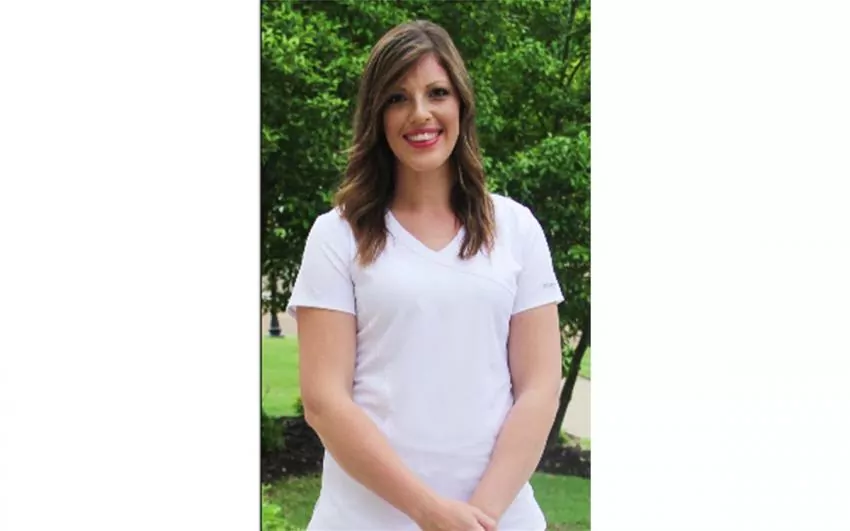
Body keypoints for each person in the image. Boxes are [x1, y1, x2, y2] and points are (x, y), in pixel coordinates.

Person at [286, 19, 564, 531]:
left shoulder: (516, 228)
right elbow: (324, 401)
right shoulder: (336, 235)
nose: (420, 113)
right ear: (377, 115)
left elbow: (540, 387)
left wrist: (479, 519)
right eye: (398, 98)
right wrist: (429, 513)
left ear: (461, 104)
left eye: (437, 93)